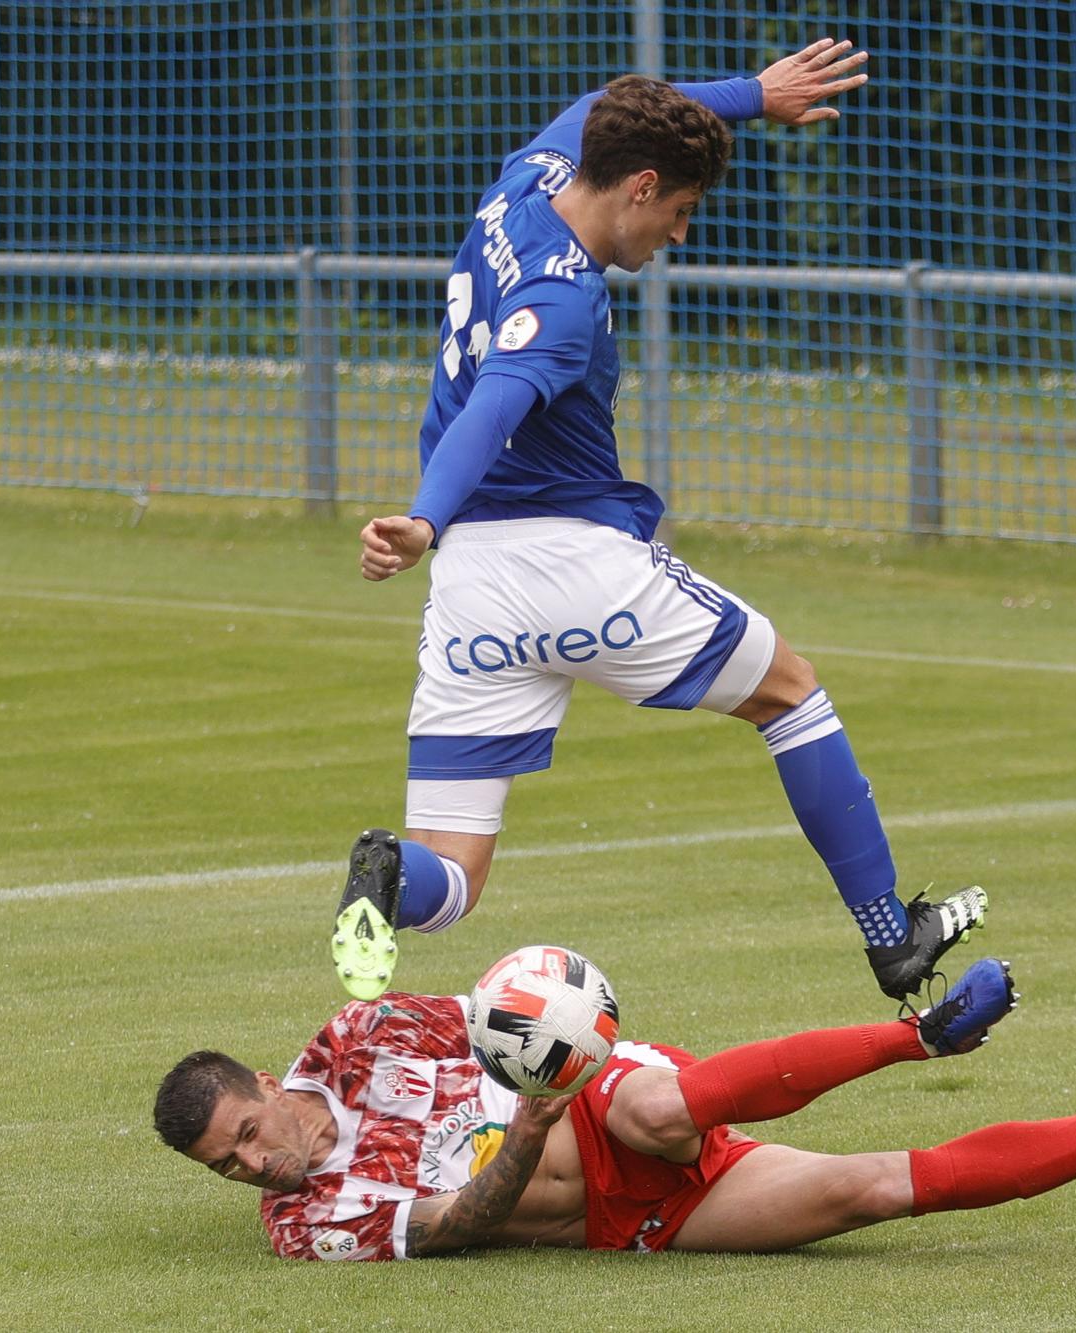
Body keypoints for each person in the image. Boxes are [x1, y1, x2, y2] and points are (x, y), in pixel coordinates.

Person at [335, 39, 987, 1007]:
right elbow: (497, 404)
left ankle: (387, 872)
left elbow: (612, 99)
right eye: (680, 211)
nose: (678, 234)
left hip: (472, 589)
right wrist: (422, 516)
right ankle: (891, 937)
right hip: (577, 563)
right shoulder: (563, 296)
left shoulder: (525, 182)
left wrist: (753, 98)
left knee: (453, 874)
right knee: (791, 695)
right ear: (639, 187)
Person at [153, 959, 1076, 1259]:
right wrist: (520, 1134)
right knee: (866, 1189)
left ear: (263, 1084)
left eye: (243, 1136)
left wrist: (549, 1086)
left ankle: (925, 1034)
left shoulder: (360, 1037)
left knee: (656, 1106)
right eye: (225, 1169)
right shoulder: (304, 1228)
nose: (250, 1167)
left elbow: (511, 1021)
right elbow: (454, 1233)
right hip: (621, 1218)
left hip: (599, 1106)